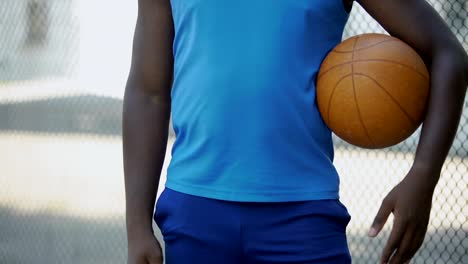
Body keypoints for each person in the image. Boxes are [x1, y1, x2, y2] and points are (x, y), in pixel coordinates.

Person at [123, 0, 468, 263]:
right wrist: (137, 226)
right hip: (194, 213)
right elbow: (147, 92)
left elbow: (447, 54)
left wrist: (424, 175)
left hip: (303, 217)